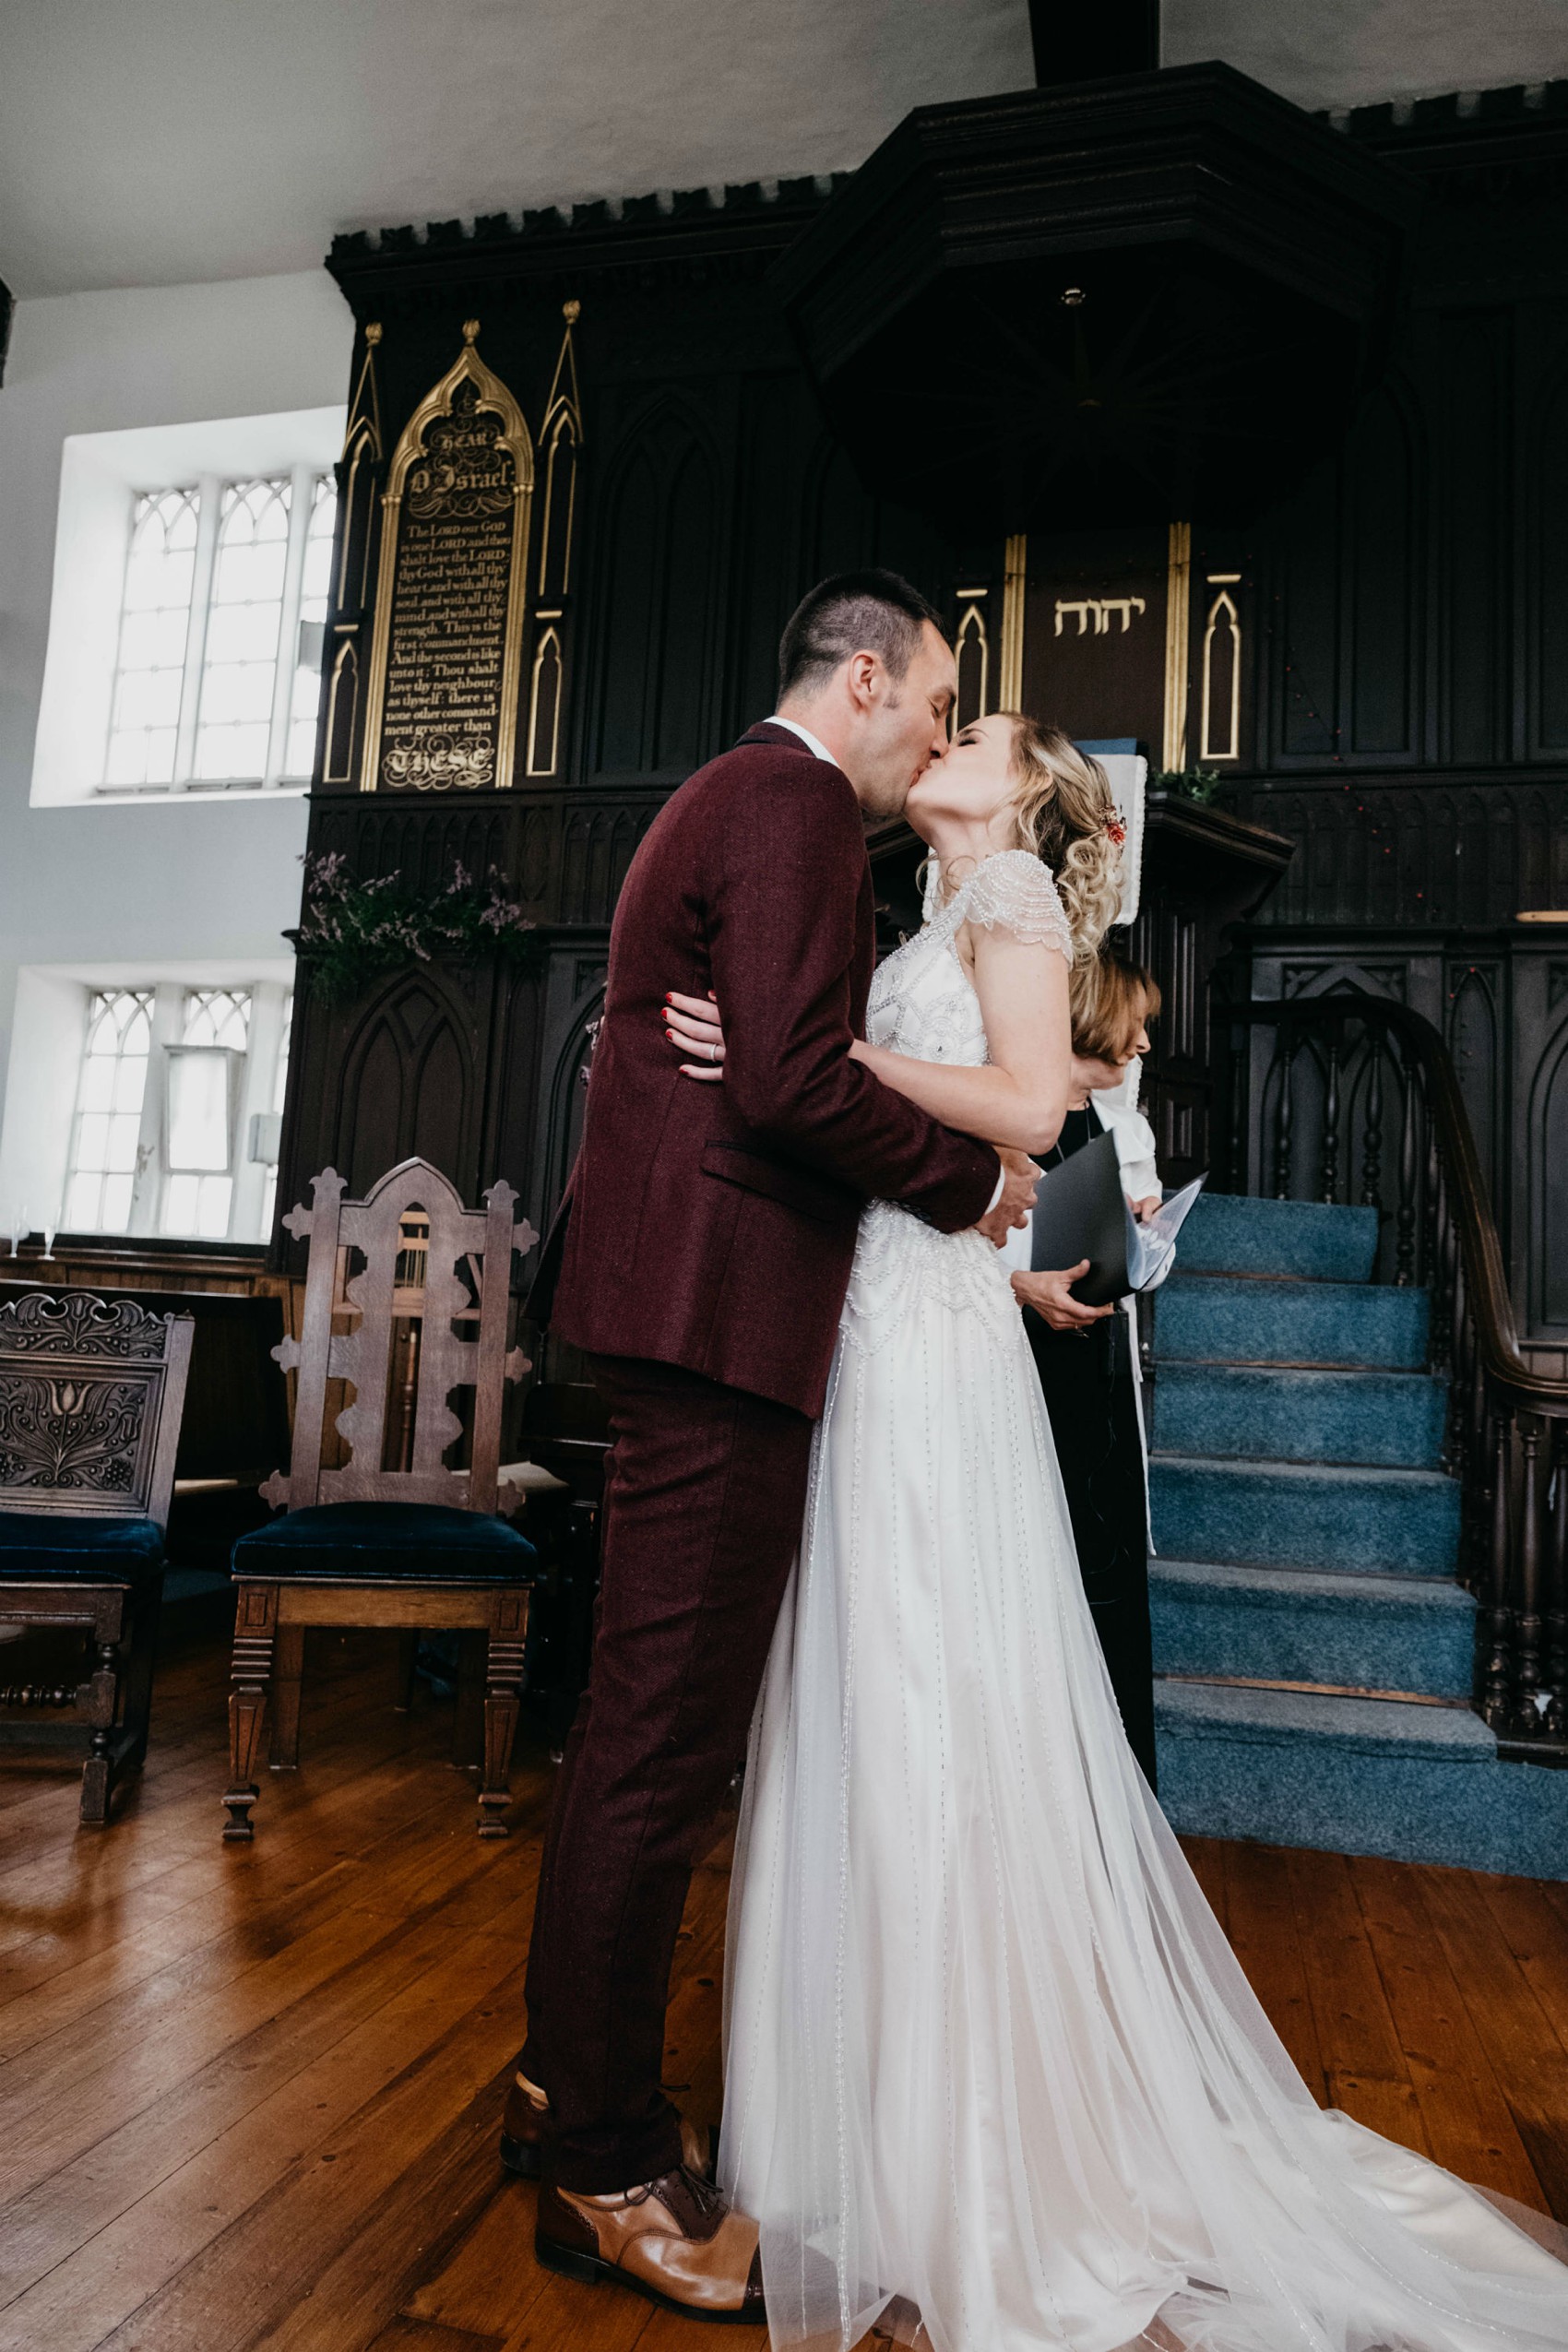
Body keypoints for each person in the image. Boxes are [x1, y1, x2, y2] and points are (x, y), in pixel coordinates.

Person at [663, 712, 1568, 2352]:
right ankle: (854, 2126)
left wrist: (819, 1058)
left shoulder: (1009, 894)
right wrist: (981, 1247)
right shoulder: (928, 917)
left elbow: (1024, 1106)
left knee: (941, 1699)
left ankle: (971, 2143)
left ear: (1024, 799)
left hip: (928, 1367)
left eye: (986, 728)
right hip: (896, 1316)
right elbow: (934, 1172)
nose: (953, 731)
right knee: (872, 1700)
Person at [513, 571, 1039, 2321]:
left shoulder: (729, 795)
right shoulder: (801, 803)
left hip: (677, 1305)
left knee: (629, 1741)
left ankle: (556, 2087)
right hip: (719, 1322)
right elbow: (796, 1084)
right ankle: (602, 2162)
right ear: (868, 677)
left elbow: (774, 1057)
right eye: (938, 697)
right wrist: (977, 1195)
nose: (941, 736)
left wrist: (793, 1059)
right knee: (661, 1756)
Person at [1010, 956, 1164, 1786]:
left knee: (1108, 1572)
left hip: (1095, 1371)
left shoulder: (1113, 1128)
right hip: (1028, 1373)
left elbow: (1134, 1261)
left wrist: (1143, 1232)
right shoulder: (1017, 1122)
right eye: (1131, 1022)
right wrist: (1019, 1285)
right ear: (1088, 1018)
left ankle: (1114, 1786)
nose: (1142, 1042)